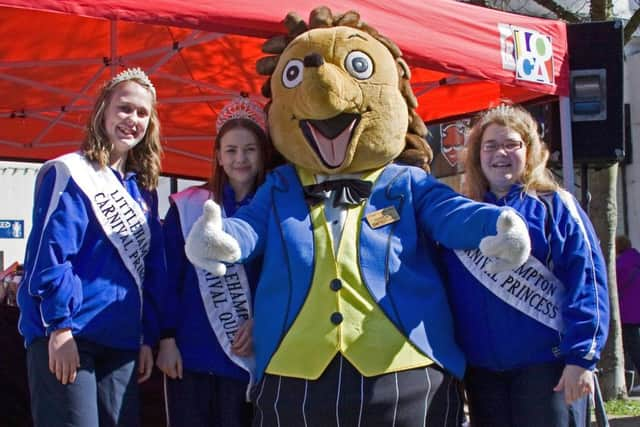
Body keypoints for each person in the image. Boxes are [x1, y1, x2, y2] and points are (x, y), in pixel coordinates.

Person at [442, 103, 610, 427]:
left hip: (549, 371)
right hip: (483, 376)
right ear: (478, 155)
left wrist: (582, 359)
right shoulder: (463, 215)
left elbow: (586, 281)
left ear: (529, 151)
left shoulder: (556, 206)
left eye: (511, 144)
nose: (500, 153)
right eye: (490, 145)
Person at [17, 67, 166, 427]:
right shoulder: (70, 173)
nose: (133, 119)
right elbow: (49, 256)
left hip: (122, 342)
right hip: (71, 334)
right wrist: (60, 327)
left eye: (142, 113)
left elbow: (148, 273)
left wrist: (146, 336)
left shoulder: (143, 192)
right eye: (124, 108)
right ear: (103, 111)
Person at [156, 95, 272, 427]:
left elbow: (282, 277)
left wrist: (263, 320)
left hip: (247, 354)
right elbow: (169, 277)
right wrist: (166, 340)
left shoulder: (275, 209)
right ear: (219, 156)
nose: (241, 159)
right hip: (189, 353)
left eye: (250, 149)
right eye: (231, 150)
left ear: (263, 154)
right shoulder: (188, 206)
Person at [615, 234, 640, 391]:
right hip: (636, 312)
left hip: (627, 314)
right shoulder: (636, 260)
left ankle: (629, 382)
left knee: (631, 349)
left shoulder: (619, 265)